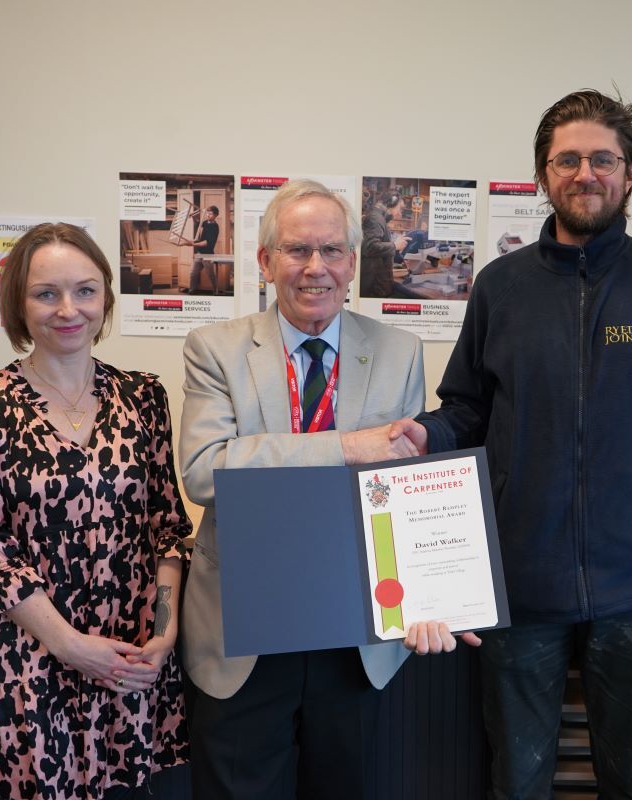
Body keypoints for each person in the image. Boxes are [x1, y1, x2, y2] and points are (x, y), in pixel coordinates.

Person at [390, 89, 632, 799]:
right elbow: (469, 410)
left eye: (603, 158)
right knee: (516, 779)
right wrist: (426, 432)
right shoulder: (500, 287)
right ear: (543, 175)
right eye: (567, 159)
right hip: (518, 587)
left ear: (630, 170)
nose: (585, 173)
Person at [178, 179, 476, 800]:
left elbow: (399, 490)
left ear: (351, 263)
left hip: (354, 628)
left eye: (332, 251)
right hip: (244, 629)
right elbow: (205, 471)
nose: (316, 269)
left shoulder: (400, 350)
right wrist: (346, 446)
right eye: (296, 250)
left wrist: (435, 590)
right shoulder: (216, 348)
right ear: (265, 262)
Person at [0, 222, 191, 799]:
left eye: (85, 290)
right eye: (46, 293)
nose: (68, 309)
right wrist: (73, 646)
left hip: (132, 660)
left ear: (106, 299)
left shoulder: (143, 397)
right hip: (29, 663)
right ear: (19, 306)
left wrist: (165, 634)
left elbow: (168, 525)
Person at [360, 191, 419, 298]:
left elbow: (378, 247)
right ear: (391, 203)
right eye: (400, 208)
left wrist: (396, 248)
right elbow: (369, 247)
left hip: (377, 283)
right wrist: (395, 245)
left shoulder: (379, 218)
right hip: (374, 286)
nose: (400, 213)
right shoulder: (375, 218)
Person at [186, 205, 221, 294]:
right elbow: (198, 224)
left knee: (211, 275)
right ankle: (191, 290)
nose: (208, 215)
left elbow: (207, 242)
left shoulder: (215, 227)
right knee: (193, 273)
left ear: (216, 215)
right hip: (200, 253)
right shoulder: (206, 222)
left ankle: (215, 291)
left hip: (208, 254)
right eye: (207, 213)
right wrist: (193, 217)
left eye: (210, 214)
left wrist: (193, 244)